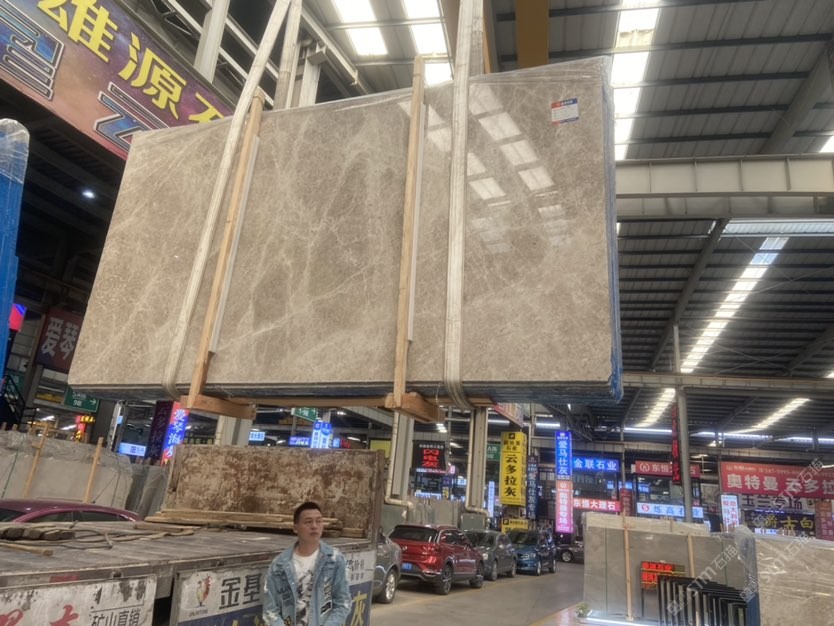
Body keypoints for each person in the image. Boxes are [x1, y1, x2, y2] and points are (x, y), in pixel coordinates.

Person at [263, 501, 352, 626]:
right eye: (308, 522)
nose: (314, 526)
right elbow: (270, 610)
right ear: (295, 528)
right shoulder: (279, 565)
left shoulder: (335, 560)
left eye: (319, 521)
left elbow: (342, 604)